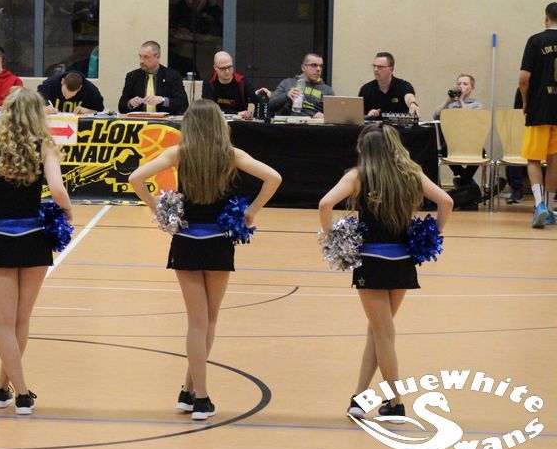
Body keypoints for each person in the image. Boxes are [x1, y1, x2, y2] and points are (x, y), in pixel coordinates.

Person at [128, 99, 281, 420]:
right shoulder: (231, 155)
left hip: (185, 242)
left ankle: (189, 391)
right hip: (219, 243)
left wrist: (157, 210)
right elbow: (274, 178)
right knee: (208, 321)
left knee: (197, 322)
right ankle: (201, 398)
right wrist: (252, 211)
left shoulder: (178, 153)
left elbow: (135, 179)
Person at [318, 123, 452, 420]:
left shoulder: (358, 176)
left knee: (383, 332)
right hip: (403, 260)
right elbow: (446, 201)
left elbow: (325, 203)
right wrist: (436, 233)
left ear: (365, 149)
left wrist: (331, 238)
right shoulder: (411, 173)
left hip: (371, 261)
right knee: (378, 330)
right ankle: (359, 398)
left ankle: (396, 402)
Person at [0, 86, 72, 415]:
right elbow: (57, 189)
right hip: (35, 237)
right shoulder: (45, 146)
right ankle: (20, 392)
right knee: (22, 320)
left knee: (5, 323)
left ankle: (4, 388)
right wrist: (68, 212)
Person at [519, 2, 557, 228]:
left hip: (540, 107)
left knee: (533, 158)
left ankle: (540, 204)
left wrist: (526, 101)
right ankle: (550, 208)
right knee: (554, 159)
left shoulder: (536, 41)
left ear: (546, 18)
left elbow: (524, 78)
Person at [433, 74, 484, 188]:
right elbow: (436, 116)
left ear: (472, 88)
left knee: (482, 152)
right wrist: (447, 101)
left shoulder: (477, 105)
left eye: (465, 84)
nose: (461, 86)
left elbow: (468, 118)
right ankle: (467, 181)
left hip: (470, 143)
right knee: (444, 151)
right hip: (451, 144)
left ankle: (463, 181)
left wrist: (461, 100)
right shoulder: (449, 104)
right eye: (459, 84)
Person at [118, 41, 189, 115]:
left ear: (157, 57)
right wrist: (130, 103)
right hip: (140, 120)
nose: (141, 61)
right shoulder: (132, 76)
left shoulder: (172, 75)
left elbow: (183, 104)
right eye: (140, 56)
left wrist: (163, 100)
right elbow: (121, 106)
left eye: (146, 57)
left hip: (164, 121)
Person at [201, 51, 271, 118]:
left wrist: (261, 95)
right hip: (217, 120)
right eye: (223, 68)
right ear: (215, 68)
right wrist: (236, 113)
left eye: (230, 67)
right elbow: (209, 109)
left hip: (239, 121)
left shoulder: (242, 81)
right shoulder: (209, 82)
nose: (227, 71)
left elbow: (256, 98)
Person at [268, 53, 334, 118]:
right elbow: (270, 106)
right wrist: (286, 96)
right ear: (303, 68)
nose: (318, 69)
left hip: (314, 123)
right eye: (314, 65)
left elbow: (333, 117)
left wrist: (324, 117)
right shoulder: (288, 83)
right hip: (289, 122)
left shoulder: (327, 90)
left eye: (321, 66)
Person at [358, 52, 419, 117]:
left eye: (380, 67)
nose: (375, 69)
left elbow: (409, 96)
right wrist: (367, 116)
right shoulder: (366, 89)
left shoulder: (403, 85)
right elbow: (358, 117)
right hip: (373, 124)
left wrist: (412, 103)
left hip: (399, 124)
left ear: (391, 69)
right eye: (374, 66)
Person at [37, 69, 104, 115]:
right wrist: (43, 109)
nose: (66, 98)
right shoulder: (49, 84)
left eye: (72, 95)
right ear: (62, 81)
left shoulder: (91, 90)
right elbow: (34, 105)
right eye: (64, 94)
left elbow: (100, 111)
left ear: (79, 88)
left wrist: (87, 111)